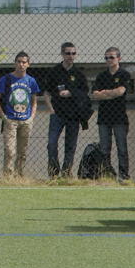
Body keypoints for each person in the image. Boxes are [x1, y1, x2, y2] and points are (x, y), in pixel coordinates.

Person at [44, 42, 90, 178]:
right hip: (57, 114)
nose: (71, 56)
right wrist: (51, 110)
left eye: (73, 53)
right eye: (68, 53)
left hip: (73, 115)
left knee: (70, 146)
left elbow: (85, 93)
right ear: (62, 54)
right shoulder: (54, 72)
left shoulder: (79, 74)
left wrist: (71, 92)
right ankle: (53, 172)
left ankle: (66, 173)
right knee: (51, 144)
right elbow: (47, 93)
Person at [0, 51, 40, 177]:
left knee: (22, 151)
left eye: (24, 62)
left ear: (28, 64)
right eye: (19, 62)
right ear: (15, 63)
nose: (21, 64)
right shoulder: (6, 79)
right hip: (10, 120)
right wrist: (4, 117)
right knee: (10, 151)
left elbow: (34, 100)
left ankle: (19, 175)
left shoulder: (31, 81)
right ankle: (8, 177)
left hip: (26, 120)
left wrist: (31, 117)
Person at [90, 47, 132, 181]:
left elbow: (121, 91)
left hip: (119, 117)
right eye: (106, 57)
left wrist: (105, 93)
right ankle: (107, 174)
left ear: (119, 58)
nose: (109, 60)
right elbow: (95, 94)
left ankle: (124, 175)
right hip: (103, 117)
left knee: (122, 148)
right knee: (104, 149)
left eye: (112, 57)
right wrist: (111, 94)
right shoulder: (101, 76)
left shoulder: (124, 74)